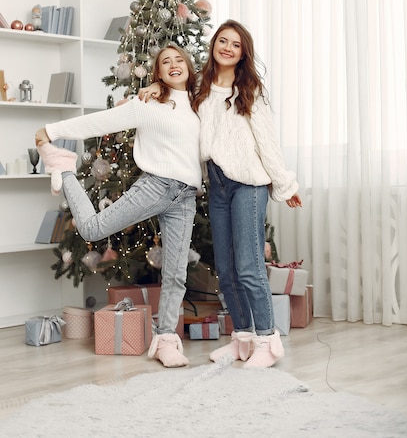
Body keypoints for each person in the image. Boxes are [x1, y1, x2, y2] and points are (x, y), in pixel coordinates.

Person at [140, 20, 302, 369]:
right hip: (217, 183)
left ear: (243, 53)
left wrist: (285, 184)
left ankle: (267, 342)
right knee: (226, 271)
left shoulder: (249, 90)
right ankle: (242, 338)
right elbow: (174, 90)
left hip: (248, 184)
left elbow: (267, 143)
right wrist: (155, 86)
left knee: (248, 267)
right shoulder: (201, 86)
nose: (227, 47)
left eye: (236, 44)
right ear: (214, 45)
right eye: (222, 41)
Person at [35, 44, 201, 368]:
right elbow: (101, 122)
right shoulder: (147, 103)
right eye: (165, 62)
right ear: (158, 73)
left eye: (179, 59)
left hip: (185, 197)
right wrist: (52, 131)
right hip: (155, 185)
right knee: (92, 227)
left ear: (189, 66)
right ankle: (65, 166)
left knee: (176, 274)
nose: (173, 64)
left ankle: (166, 341)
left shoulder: (200, 103)